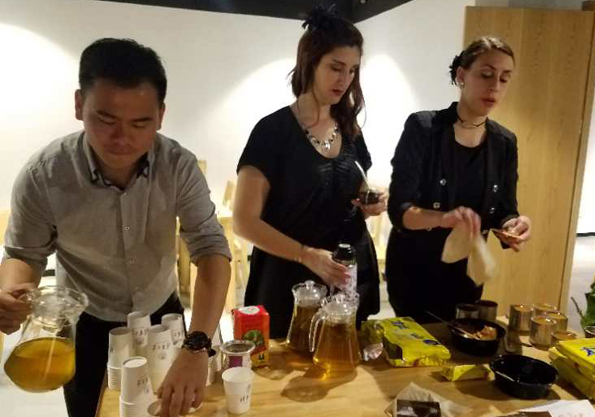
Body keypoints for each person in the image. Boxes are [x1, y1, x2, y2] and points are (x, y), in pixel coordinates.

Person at [0, 38, 231, 417]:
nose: (122, 138)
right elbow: (24, 253)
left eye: (140, 123)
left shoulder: (178, 166)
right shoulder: (44, 175)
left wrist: (197, 345)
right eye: (106, 120)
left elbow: (209, 249)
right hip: (86, 325)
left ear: (160, 115)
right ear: (79, 105)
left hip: (162, 315)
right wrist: (13, 291)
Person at [233, 7, 385, 339]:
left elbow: (354, 191)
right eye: (335, 68)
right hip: (291, 278)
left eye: (352, 70)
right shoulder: (273, 132)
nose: (344, 80)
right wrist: (306, 255)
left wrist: (370, 202)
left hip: (347, 273)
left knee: (347, 361)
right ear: (310, 63)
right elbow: (244, 221)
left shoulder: (350, 127)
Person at [385, 36, 532, 323]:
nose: (495, 86)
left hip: (467, 276)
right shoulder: (424, 128)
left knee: (461, 341)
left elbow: (504, 209)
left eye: (504, 78)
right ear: (462, 76)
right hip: (414, 274)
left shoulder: (504, 143)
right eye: (486, 74)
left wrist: (513, 225)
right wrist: (444, 218)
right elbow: (399, 211)